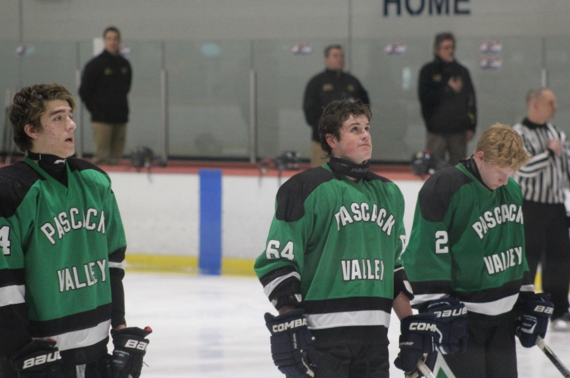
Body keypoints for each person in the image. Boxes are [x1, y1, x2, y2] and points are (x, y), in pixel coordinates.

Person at [255, 99, 437, 378]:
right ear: (331, 139)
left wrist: (409, 324)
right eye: (354, 129)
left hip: (375, 340)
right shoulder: (305, 189)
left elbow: (394, 267)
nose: (365, 134)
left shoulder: (389, 194)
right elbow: (278, 262)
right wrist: (289, 319)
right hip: (321, 340)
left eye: (366, 127)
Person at [0, 83, 150, 378]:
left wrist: (119, 326)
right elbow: (5, 285)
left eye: (70, 115)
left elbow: (113, 264)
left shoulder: (95, 181)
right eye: (58, 118)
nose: (71, 124)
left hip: (96, 351)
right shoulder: (11, 192)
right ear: (31, 130)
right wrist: (21, 350)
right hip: (37, 357)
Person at [402, 124, 554, 378]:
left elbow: (515, 249)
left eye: (511, 173)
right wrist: (434, 305)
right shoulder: (445, 186)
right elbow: (424, 250)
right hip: (460, 322)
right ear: (480, 156)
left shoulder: (511, 190)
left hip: (502, 322)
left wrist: (526, 297)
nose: (505, 180)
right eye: (500, 172)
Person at [512, 87, 570, 331]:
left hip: (556, 206)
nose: (555, 106)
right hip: (531, 206)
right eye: (550, 102)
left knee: (560, 259)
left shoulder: (557, 133)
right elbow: (523, 168)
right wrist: (548, 153)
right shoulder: (518, 133)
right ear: (535, 104)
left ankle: (559, 309)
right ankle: (520, 308)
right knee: (528, 259)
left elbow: (565, 169)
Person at [303, 45, 370, 168]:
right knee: (321, 181)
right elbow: (310, 113)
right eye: (335, 56)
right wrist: (332, 131)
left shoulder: (353, 82)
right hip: (323, 144)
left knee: (349, 182)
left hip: (351, 145)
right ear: (326, 59)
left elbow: (365, 109)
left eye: (341, 56)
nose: (339, 59)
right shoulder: (316, 83)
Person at [418, 32, 477, 167]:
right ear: (437, 50)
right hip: (436, 131)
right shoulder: (428, 72)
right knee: (434, 170)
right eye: (446, 48)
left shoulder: (462, 71)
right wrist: (447, 89)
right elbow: (425, 98)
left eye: (452, 47)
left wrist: (471, 126)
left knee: (459, 171)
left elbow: (471, 100)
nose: (450, 51)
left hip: (458, 131)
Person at [79, 26, 132, 166]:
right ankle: (98, 187)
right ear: (104, 41)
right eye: (109, 39)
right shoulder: (95, 64)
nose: (112, 42)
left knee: (116, 158)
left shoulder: (124, 65)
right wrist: (96, 109)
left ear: (119, 41)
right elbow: (84, 90)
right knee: (101, 158)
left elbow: (126, 89)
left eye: (115, 38)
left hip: (120, 117)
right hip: (102, 119)